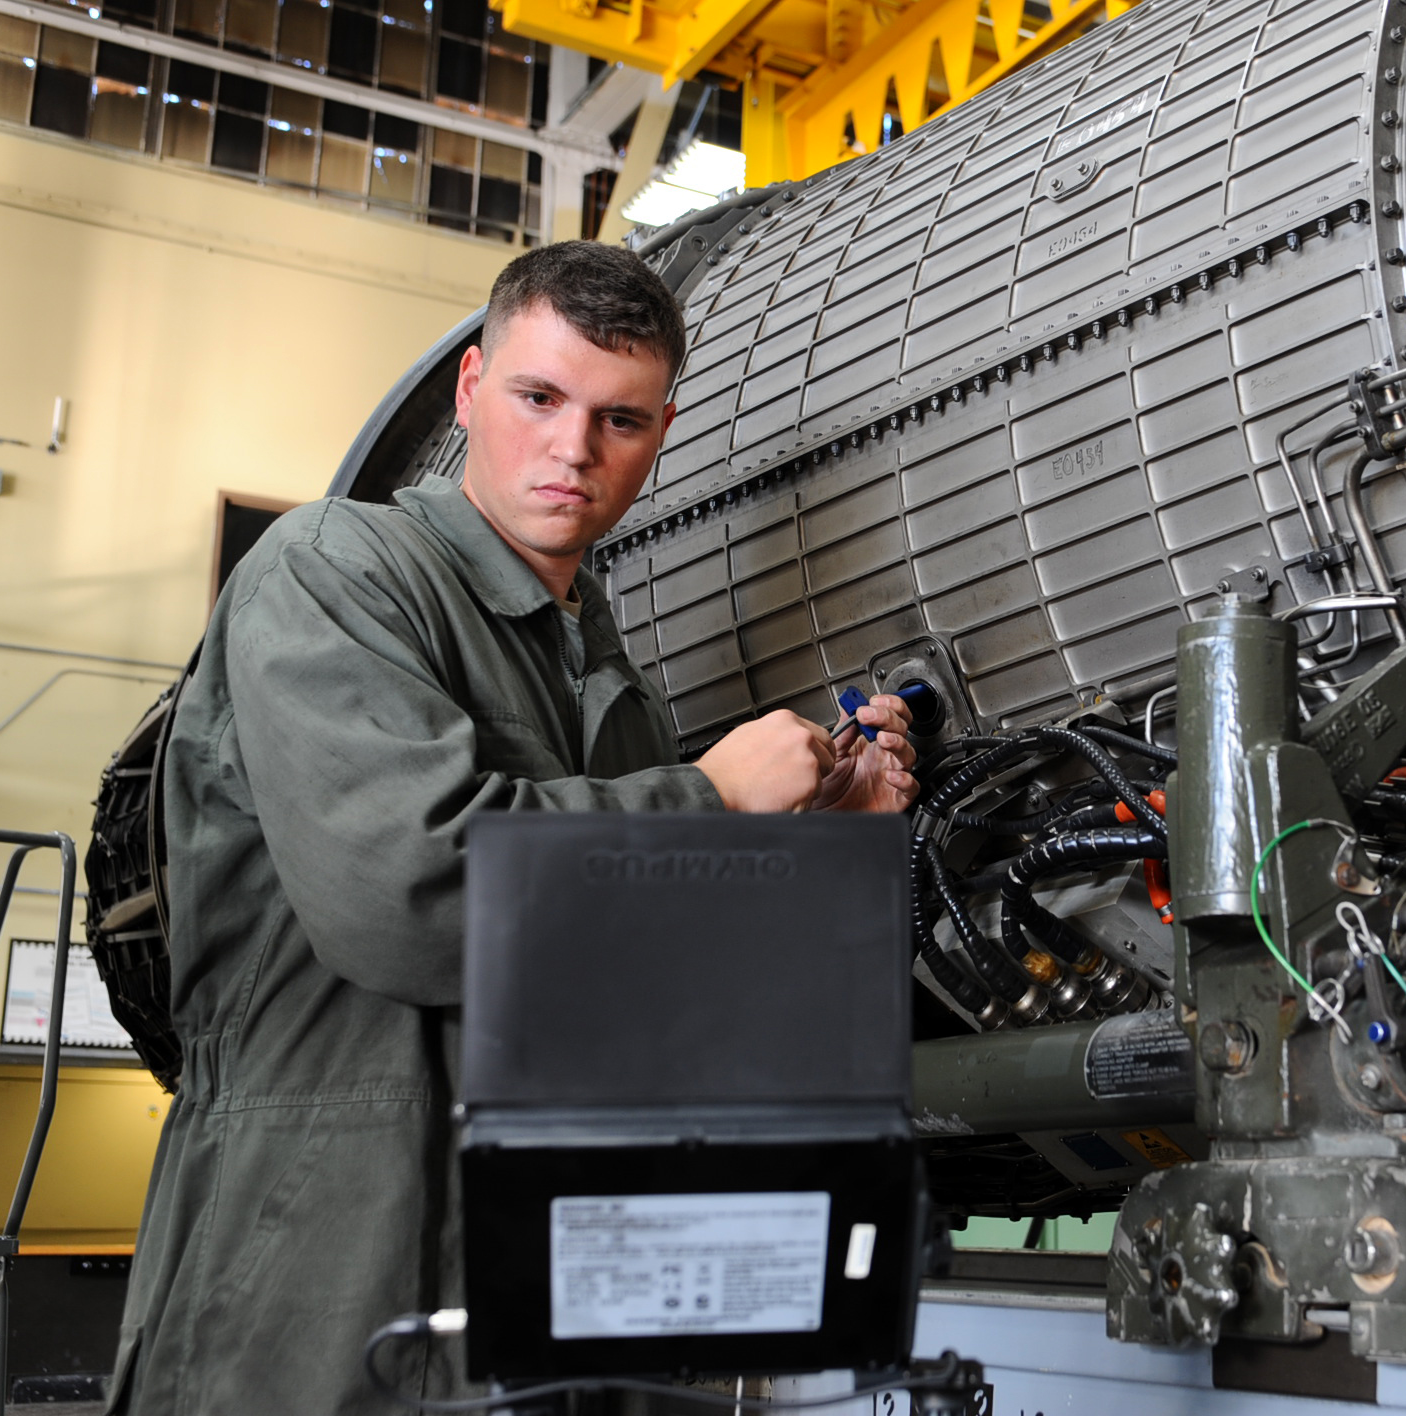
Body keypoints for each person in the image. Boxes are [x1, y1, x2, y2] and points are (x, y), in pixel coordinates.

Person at [106, 242, 917, 1414]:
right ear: (471, 390)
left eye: (620, 420)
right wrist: (713, 797)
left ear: (661, 435)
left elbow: (673, 994)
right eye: (539, 398)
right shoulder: (340, 569)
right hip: (322, 1274)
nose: (573, 451)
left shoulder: (614, 691)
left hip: (559, 1289)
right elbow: (410, 898)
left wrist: (823, 842)